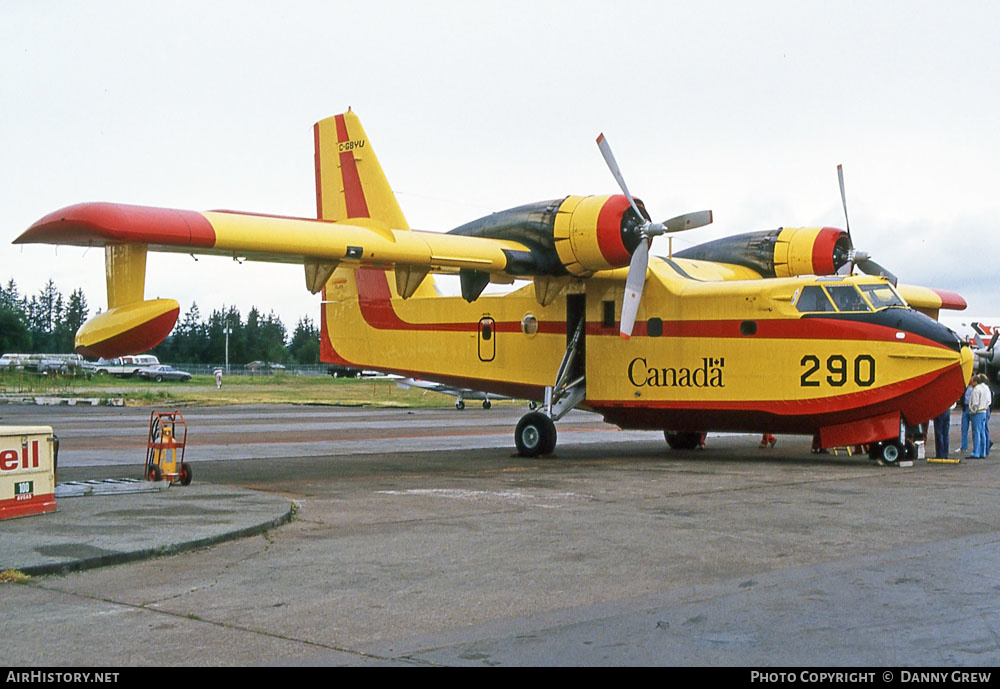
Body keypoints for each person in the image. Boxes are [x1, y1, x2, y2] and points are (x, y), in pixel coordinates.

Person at [969, 374, 992, 458]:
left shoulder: (976, 390)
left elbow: (975, 403)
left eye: (972, 382)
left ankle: (976, 452)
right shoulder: (984, 389)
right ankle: (983, 452)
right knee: (982, 432)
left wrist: (972, 410)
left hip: (977, 412)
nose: (971, 383)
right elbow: (987, 401)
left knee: (976, 432)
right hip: (984, 411)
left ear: (975, 382)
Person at [960, 375, 975, 452]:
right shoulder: (966, 387)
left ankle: (976, 447)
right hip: (966, 408)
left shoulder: (976, 388)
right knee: (964, 429)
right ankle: (964, 446)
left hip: (973, 409)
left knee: (975, 429)